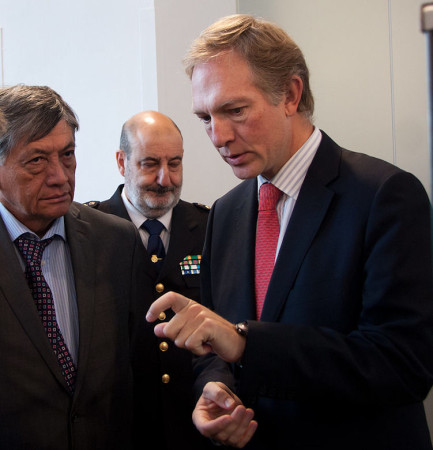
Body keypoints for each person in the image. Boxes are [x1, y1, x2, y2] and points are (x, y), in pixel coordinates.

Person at [146, 14, 433, 450]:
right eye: (205, 117)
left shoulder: (384, 196)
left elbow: (402, 366)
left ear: (291, 94)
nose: (218, 136)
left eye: (235, 110)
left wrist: (246, 346)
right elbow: (216, 343)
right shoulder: (226, 212)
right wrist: (216, 388)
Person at [0, 84, 161, 450]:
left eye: (68, 154)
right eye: (37, 160)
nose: (60, 176)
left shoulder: (116, 241)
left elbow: (141, 373)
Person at [85, 110, 211, 449]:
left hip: (191, 423)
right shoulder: (86, 229)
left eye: (175, 163)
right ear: (121, 161)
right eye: (150, 163)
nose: (164, 178)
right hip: (117, 426)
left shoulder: (210, 227)